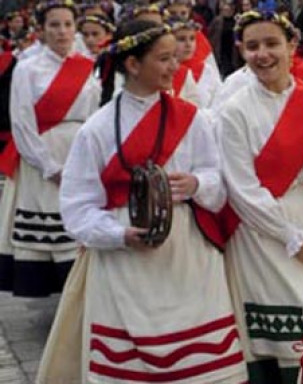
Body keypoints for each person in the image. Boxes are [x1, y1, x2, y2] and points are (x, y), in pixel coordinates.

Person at [46, 19, 247, 382]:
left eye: (175, 57)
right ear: (133, 64)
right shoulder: (98, 128)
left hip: (187, 256)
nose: (175, 66)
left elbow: (218, 185)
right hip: (125, 261)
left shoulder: (195, 119)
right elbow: (77, 207)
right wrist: (119, 234)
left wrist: (197, 182)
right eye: (164, 58)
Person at [217, 10, 303, 383]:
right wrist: (294, 239)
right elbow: (242, 190)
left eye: (271, 44)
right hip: (261, 234)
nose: (262, 54)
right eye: (252, 46)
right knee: (278, 331)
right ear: (241, 51)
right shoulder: (233, 110)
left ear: (292, 46)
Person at [0, 0, 100, 298]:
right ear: (41, 30)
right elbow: (22, 123)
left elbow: (95, 117)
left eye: (68, 25)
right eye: (54, 25)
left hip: (79, 151)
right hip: (43, 156)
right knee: (51, 227)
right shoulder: (27, 69)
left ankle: (82, 293)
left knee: (79, 221)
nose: (62, 32)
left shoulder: (87, 67)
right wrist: (49, 166)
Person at [170, 16, 219, 107]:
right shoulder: (164, 71)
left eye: (192, 38)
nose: (188, 44)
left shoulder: (207, 70)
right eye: (181, 39)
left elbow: (218, 102)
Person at [207, 0, 241, 76]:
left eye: (230, 6)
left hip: (234, 55)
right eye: (226, 6)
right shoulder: (216, 21)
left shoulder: (238, 21)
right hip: (220, 54)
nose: (228, 8)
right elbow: (210, 37)